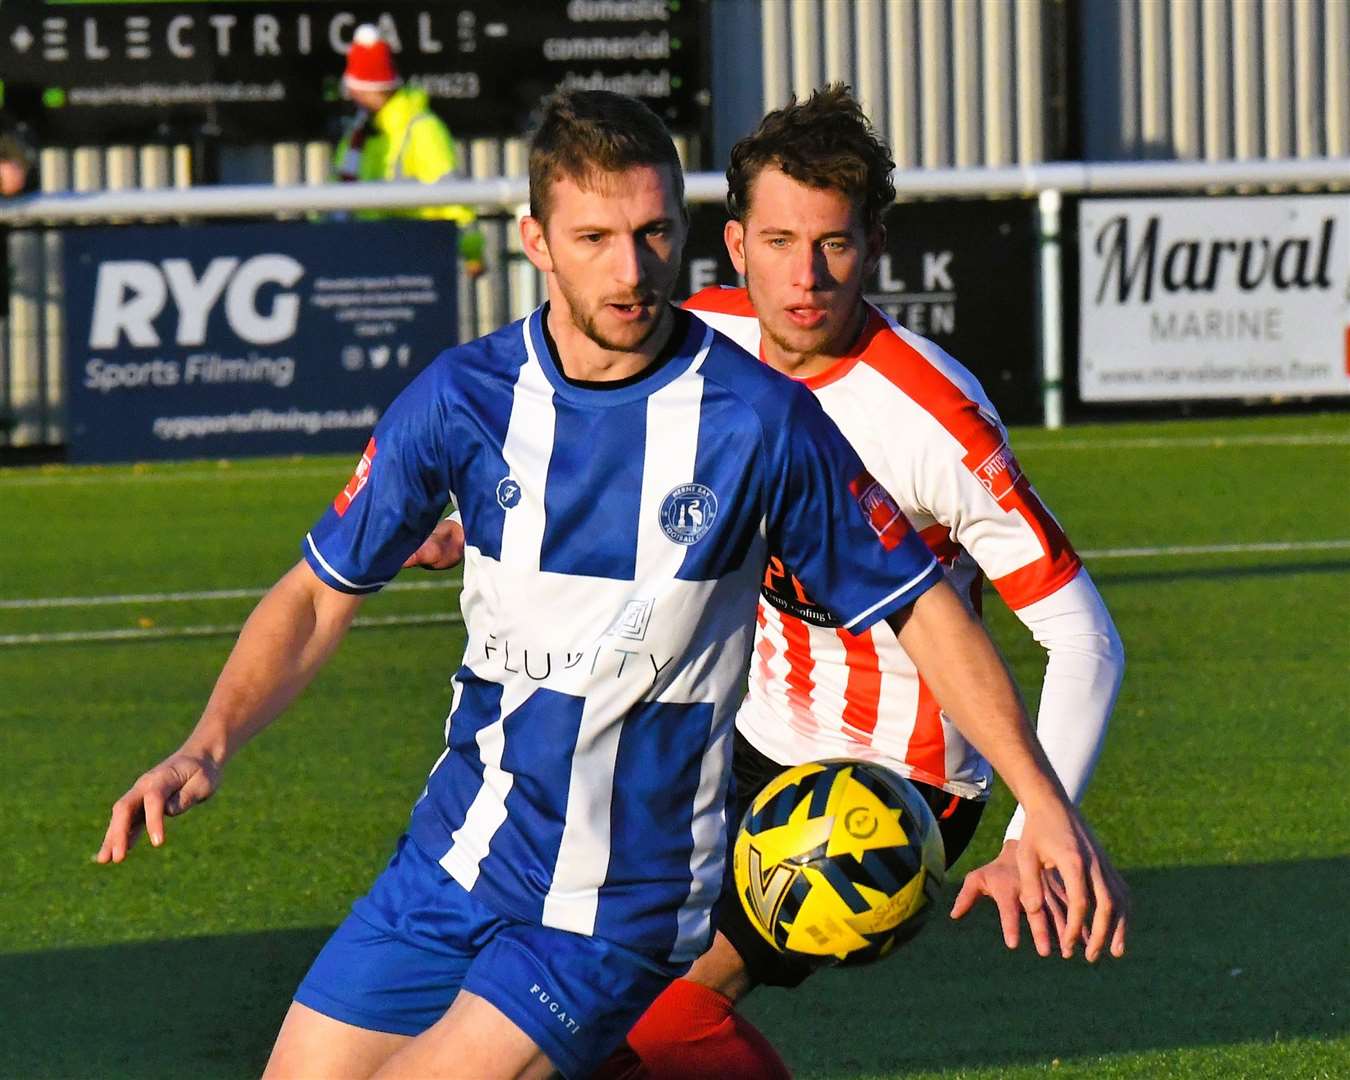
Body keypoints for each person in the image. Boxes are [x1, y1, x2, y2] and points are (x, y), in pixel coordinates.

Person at [99, 89, 1118, 1080]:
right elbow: (319, 592)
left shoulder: (764, 420)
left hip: (622, 887)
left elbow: (924, 609)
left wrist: (1044, 812)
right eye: (594, 239)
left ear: (682, 234)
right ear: (536, 240)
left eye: (652, 234)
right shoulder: (462, 396)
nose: (631, 270)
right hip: (457, 853)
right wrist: (208, 741)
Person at [411, 86, 1130, 1079]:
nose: (806, 276)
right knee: (525, 971)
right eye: (781, 242)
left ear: (874, 244)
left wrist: (1039, 818)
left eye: (834, 243)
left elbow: (1083, 637)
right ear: (736, 244)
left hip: (886, 784)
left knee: (632, 1006)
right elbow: (608, 452)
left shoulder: (933, 418)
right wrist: (474, 515)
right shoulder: (704, 342)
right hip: (731, 733)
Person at [335, 23, 486, 276]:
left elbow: (452, 195)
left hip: (417, 262)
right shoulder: (358, 134)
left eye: (354, 86)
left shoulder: (422, 128)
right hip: (363, 262)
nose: (349, 94)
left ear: (367, 88)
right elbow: (335, 196)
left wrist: (472, 252)